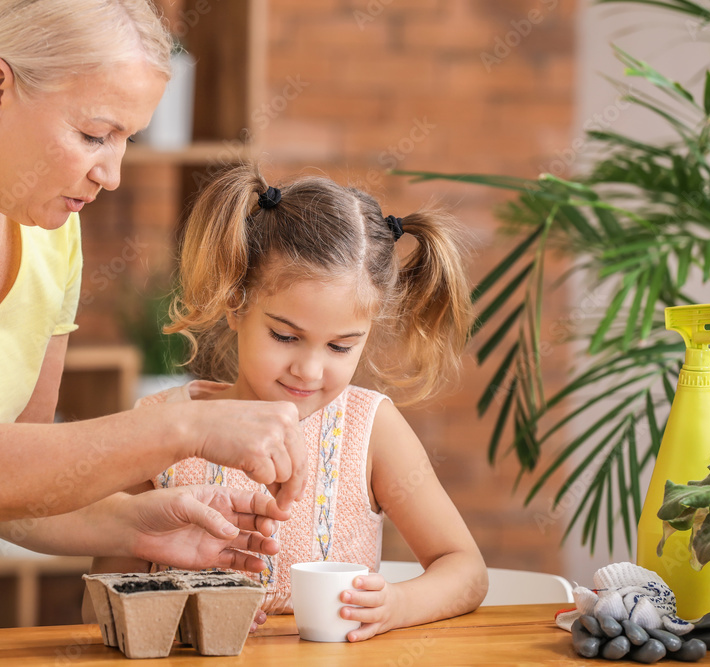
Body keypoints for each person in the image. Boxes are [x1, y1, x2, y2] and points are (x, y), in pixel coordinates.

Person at [0, 0, 307, 587]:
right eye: (95, 134)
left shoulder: (47, 227)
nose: (112, 173)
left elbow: (8, 479)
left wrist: (134, 526)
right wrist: (184, 428)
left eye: (126, 140)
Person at [87, 165, 489, 641]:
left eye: (340, 346)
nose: (310, 370)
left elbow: (465, 569)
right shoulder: (163, 426)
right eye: (285, 335)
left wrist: (396, 605)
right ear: (236, 303)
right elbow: (103, 608)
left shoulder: (370, 429)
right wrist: (185, 620)